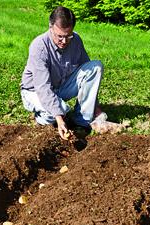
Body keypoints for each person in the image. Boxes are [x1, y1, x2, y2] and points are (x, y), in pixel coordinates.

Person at [20, 6, 107, 140]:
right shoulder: (39, 47)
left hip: (60, 87)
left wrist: (97, 109)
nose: (64, 41)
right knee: (53, 114)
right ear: (50, 27)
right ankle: (42, 116)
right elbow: (43, 88)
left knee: (95, 67)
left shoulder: (76, 40)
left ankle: (81, 121)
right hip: (34, 91)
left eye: (68, 36)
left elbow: (87, 75)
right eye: (60, 36)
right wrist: (60, 120)